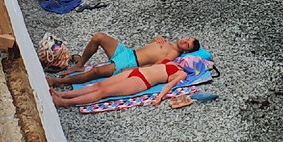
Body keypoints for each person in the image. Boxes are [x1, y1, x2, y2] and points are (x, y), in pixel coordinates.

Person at [50, 35, 201, 87]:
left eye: (187, 44)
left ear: (187, 50)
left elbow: (154, 66)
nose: (184, 41)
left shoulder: (173, 54)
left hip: (131, 62)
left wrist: (130, 71)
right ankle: (80, 64)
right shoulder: (167, 42)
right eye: (186, 39)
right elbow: (150, 49)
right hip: (127, 52)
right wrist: (155, 39)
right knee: (98, 37)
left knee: (96, 72)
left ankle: (58, 82)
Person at [49, 59, 188, 108]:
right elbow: (152, 65)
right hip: (136, 72)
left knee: (102, 92)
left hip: (142, 81)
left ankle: (64, 102)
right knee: (99, 85)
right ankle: (63, 94)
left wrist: (159, 97)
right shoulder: (172, 61)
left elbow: (169, 85)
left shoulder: (182, 74)